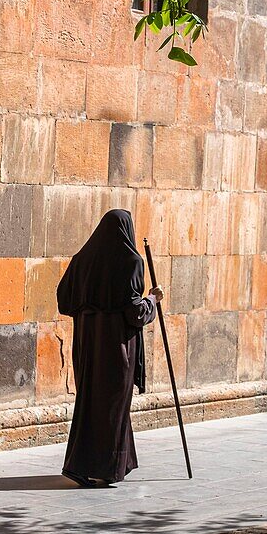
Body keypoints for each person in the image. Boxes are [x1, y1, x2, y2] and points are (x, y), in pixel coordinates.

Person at [56, 209, 163, 488]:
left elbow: (64, 300)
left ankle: (113, 465)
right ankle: (95, 466)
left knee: (91, 402)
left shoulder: (82, 260)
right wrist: (152, 299)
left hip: (87, 348)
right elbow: (134, 313)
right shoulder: (131, 261)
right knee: (113, 406)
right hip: (117, 350)